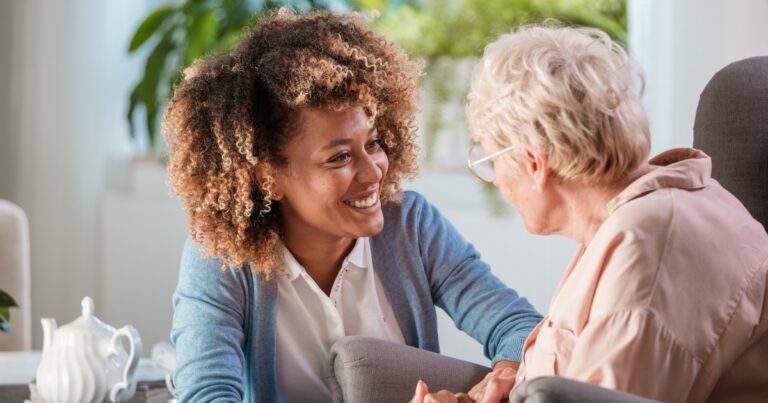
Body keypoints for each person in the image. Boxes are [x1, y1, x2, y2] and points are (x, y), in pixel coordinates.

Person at [164, 9, 543, 403]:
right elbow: (205, 395)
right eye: (339, 158)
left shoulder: (412, 226)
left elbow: (520, 328)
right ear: (267, 177)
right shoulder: (222, 256)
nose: (373, 171)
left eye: (373, 143)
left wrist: (502, 378)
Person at [412, 25, 768, 403]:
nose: (495, 181)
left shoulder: (648, 246)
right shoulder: (637, 221)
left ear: (535, 164)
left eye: (489, 160)